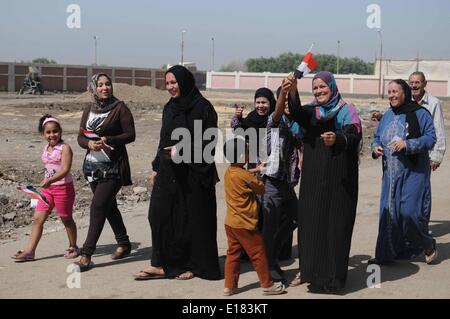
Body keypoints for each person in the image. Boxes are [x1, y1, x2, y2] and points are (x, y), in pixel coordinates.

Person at [134, 65, 221, 281]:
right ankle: (161, 262)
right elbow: (163, 138)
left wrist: (182, 151)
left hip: (194, 174)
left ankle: (190, 265)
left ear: (184, 82)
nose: (171, 87)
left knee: (191, 220)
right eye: (168, 83)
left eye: (174, 82)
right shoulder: (170, 107)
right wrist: (156, 167)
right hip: (168, 170)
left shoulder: (203, 108)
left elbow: (209, 141)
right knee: (158, 215)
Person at [287, 71, 362, 293]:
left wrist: (337, 138)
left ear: (332, 87)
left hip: (340, 181)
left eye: (323, 87)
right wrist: (292, 90)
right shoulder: (311, 111)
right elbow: (298, 114)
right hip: (313, 180)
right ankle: (312, 275)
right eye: (315, 88)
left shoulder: (347, 111)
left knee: (336, 227)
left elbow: (354, 135)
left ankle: (334, 279)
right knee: (312, 225)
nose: (319, 91)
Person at [370, 79, 437, 265]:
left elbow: (431, 138)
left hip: (413, 173)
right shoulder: (387, 115)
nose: (391, 95)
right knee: (388, 214)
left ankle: (427, 242)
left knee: (408, 214)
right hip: (390, 175)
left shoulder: (421, 114)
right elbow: (376, 137)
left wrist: (407, 144)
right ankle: (384, 255)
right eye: (389, 92)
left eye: (394, 91)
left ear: (404, 93)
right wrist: (375, 147)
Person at [75, 73, 136, 271]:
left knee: (98, 206)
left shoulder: (120, 108)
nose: (104, 88)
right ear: (93, 88)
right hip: (92, 166)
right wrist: (89, 143)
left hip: (113, 166)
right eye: (100, 85)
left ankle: (86, 254)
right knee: (108, 206)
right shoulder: (89, 109)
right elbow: (80, 137)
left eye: (107, 84)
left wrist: (109, 139)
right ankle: (124, 243)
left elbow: (130, 135)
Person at [222, 137, 286, 296]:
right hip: (245, 224)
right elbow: (261, 189)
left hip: (230, 222)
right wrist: (259, 175)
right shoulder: (245, 176)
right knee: (258, 253)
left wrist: (256, 169)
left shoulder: (230, 172)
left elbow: (242, 175)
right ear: (242, 156)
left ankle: (229, 286)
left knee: (233, 254)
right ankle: (267, 285)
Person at [12, 115, 78, 261]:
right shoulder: (46, 148)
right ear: (43, 134)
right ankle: (30, 252)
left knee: (66, 218)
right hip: (47, 190)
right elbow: (49, 168)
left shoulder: (65, 148)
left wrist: (50, 180)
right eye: (48, 132)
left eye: (55, 131)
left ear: (60, 132)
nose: (52, 135)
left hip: (63, 189)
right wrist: (44, 181)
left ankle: (73, 246)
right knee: (37, 219)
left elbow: (65, 169)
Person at [260, 84, 302, 284]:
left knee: (296, 218)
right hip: (272, 181)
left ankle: (271, 256)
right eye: (282, 100)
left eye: (289, 101)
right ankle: (268, 265)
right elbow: (277, 112)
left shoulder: (296, 123)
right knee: (270, 226)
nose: (286, 104)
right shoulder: (274, 121)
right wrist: (284, 92)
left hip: (287, 183)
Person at [371, 72, 446, 171]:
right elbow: (389, 125)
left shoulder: (432, 104)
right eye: (411, 83)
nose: (414, 86)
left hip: (422, 156)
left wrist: (437, 156)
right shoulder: (398, 105)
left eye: (417, 83)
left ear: (424, 84)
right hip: (395, 164)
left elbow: (437, 130)